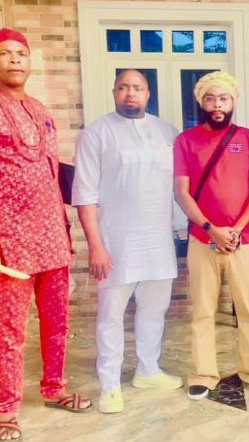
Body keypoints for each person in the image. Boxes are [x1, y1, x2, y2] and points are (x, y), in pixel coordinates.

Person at [0, 28, 92, 442]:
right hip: (9, 238)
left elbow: (50, 174)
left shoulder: (39, 109)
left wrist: (66, 227)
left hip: (52, 234)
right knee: (11, 329)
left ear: (29, 60)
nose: (15, 59)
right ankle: (5, 410)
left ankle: (54, 388)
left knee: (57, 320)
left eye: (21, 53)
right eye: (5, 53)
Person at [72, 69, 183, 414]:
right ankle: (109, 383)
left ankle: (148, 369)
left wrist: (182, 230)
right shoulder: (96, 133)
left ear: (148, 94)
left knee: (154, 308)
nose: (130, 93)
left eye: (137, 88)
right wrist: (96, 246)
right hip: (115, 242)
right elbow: (84, 195)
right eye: (123, 87)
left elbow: (179, 188)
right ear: (114, 92)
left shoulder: (167, 132)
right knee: (111, 315)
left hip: (158, 239)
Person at [173, 71, 249, 400]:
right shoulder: (186, 141)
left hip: (242, 240)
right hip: (202, 239)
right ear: (201, 103)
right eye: (210, 98)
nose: (217, 104)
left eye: (223, 98)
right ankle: (203, 373)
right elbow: (182, 193)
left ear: (233, 102)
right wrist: (210, 229)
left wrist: (236, 229)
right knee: (203, 310)